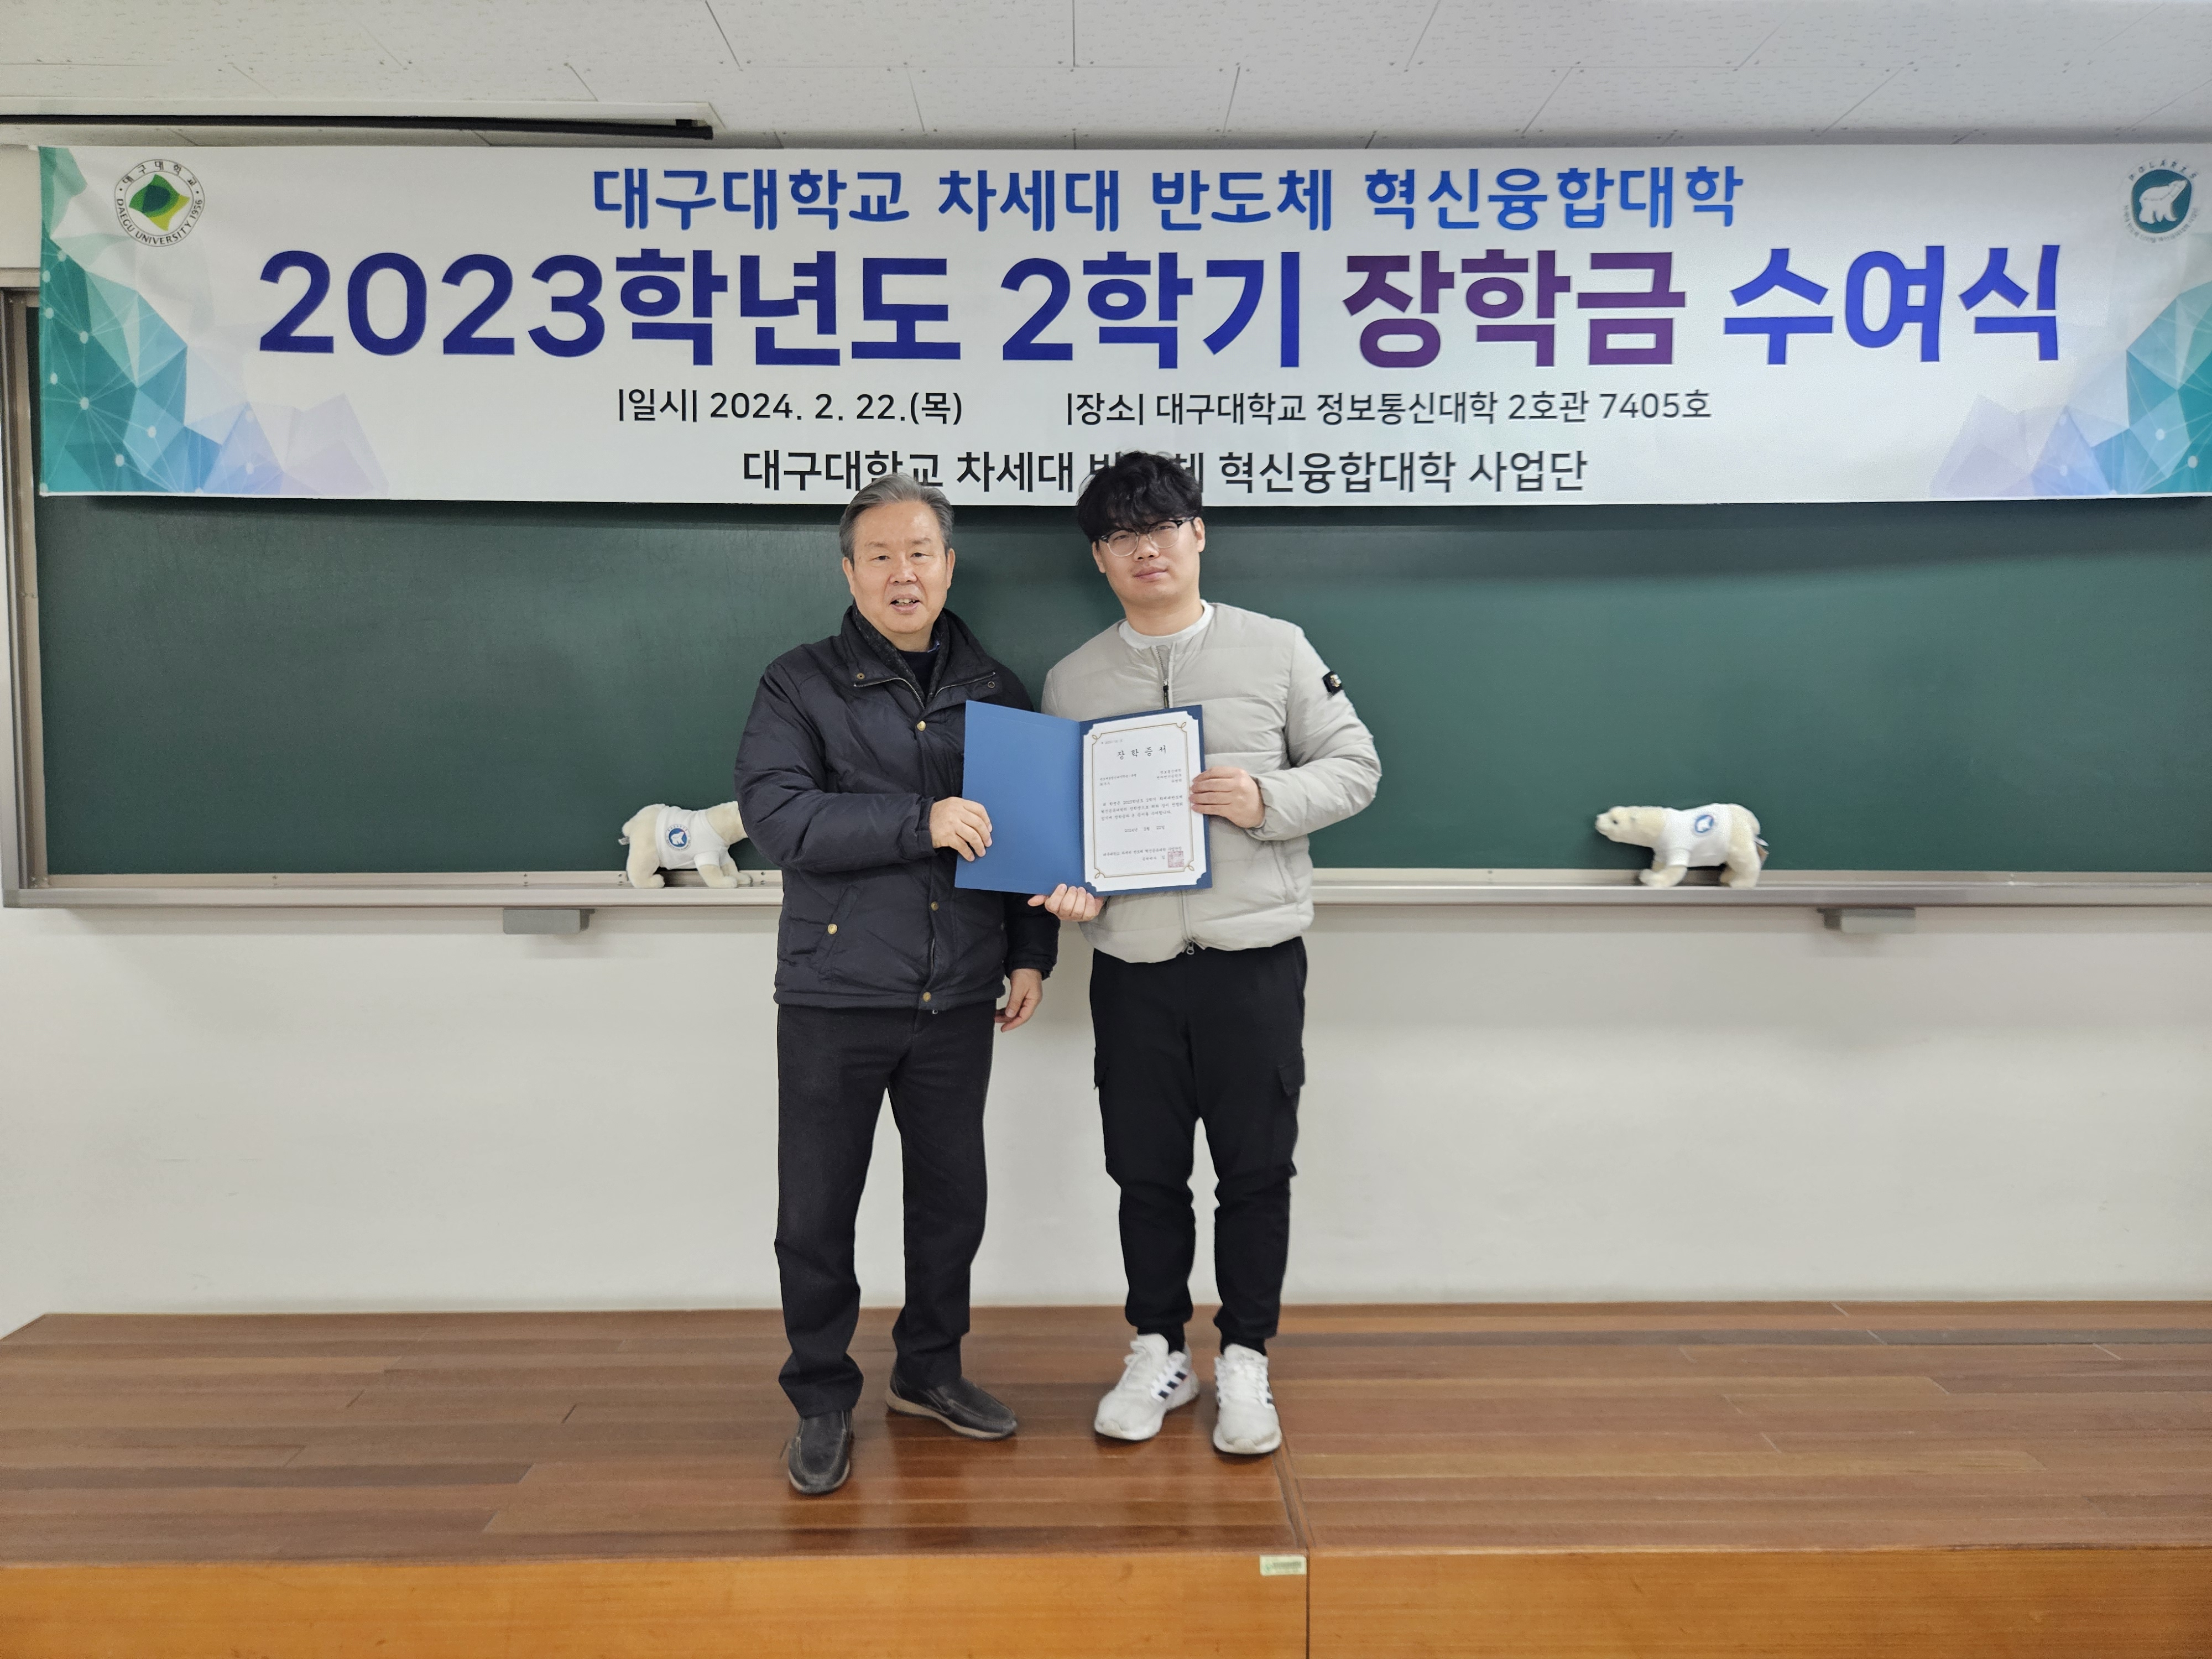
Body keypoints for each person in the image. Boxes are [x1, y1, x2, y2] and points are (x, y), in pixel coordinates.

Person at [1031, 452, 1380, 1456]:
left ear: (1197, 534)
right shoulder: (1073, 681)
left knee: (1256, 1171)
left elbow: (1357, 766)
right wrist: (1071, 886)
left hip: (1252, 962)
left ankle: (1246, 1360)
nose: (1145, 549)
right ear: (1100, 559)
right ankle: (1157, 1349)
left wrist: (1267, 799)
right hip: (1133, 970)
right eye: (1120, 536)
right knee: (1144, 1173)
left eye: (1162, 527)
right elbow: (1060, 832)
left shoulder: (1277, 649)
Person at [735, 472, 1057, 1496]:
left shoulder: (998, 689)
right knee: (817, 1209)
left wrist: (1030, 953)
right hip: (834, 992)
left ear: (949, 566)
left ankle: (929, 1372)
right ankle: (820, 1397)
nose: (902, 572)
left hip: (957, 993)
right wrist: (920, 821)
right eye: (880, 555)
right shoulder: (798, 683)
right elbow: (779, 817)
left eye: (920, 552)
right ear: (850, 572)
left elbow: (1027, 834)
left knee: (951, 1201)